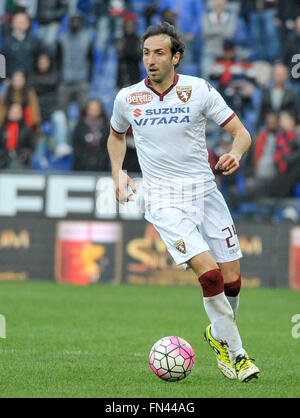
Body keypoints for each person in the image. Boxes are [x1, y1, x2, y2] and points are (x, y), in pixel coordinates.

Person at [107, 21, 260, 382]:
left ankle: (219, 334)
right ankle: (237, 355)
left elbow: (241, 133)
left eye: (159, 53)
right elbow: (116, 136)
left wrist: (236, 153)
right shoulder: (127, 98)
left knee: (232, 280)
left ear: (175, 57)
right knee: (209, 276)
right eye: (146, 53)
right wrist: (117, 171)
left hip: (205, 193)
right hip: (163, 200)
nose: (151, 60)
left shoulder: (199, 90)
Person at [31, 53, 72, 157]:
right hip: (36, 111)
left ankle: (61, 145)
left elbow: (52, 84)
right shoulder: (31, 77)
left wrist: (39, 85)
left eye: (45, 62)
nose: (43, 64)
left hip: (52, 110)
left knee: (60, 117)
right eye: (41, 62)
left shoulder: (56, 76)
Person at [1, 12, 45, 78]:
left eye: (23, 22)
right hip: (11, 81)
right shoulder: (6, 42)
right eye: (18, 22)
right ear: (13, 23)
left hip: (31, 80)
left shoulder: (35, 41)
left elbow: (42, 60)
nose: (20, 25)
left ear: (28, 24)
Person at [256, 62, 299, 131]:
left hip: (285, 125)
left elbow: (294, 113)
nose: (279, 78)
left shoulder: (291, 94)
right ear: (273, 75)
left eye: (282, 75)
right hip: (268, 125)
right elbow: (262, 113)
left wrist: (283, 117)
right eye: (277, 75)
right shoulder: (266, 93)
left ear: (286, 76)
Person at [72, 98, 110, 172]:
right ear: (86, 109)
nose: (93, 111)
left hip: (102, 167)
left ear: (101, 110)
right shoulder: (79, 125)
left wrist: (100, 160)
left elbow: (108, 147)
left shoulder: (107, 127)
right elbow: (76, 146)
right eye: (91, 109)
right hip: (81, 167)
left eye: (96, 109)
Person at [0, 70, 41, 137]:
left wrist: (36, 127)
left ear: (24, 80)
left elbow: (34, 112)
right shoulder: (7, 92)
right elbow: (2, 109)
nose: (17, 83)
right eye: (15, 80)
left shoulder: (29, 93)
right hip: (7, 124)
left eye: (20, 80)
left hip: (25, 125)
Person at [0, 102, 35, 169]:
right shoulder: (2, 129)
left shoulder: (27, 129)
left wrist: (26, 154)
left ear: (21, 114)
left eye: (18, 112)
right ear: (8, 113)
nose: (15, 114)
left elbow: (32, 147)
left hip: (21, 160)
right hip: (3, 160)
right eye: (13, 111)